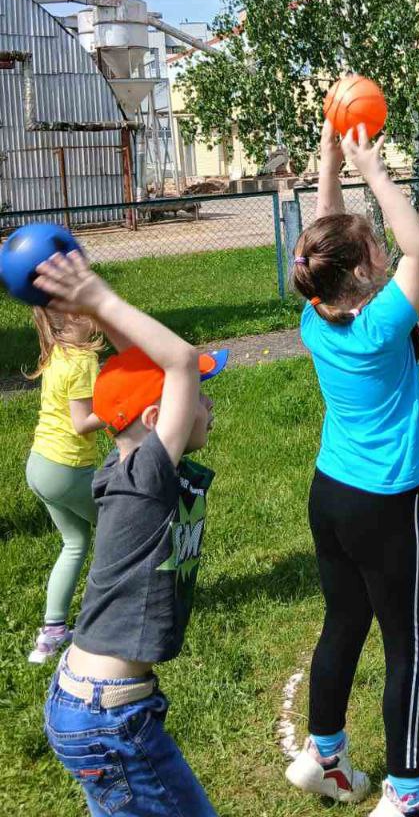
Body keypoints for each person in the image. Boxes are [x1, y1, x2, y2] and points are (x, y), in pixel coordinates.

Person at [285, 119, 419, 817]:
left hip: (331, 495)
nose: (384, 247)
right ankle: (408, 798)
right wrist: (373, 170)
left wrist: (330, 164)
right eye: (372, 247)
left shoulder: (315, 314)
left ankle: (325, 756)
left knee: (343, 620)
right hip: (388, 506)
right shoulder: (382, 324)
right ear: (361, 271)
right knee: (410, 648)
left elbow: (325, 242)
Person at [36, 249, 228, 816]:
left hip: (94, 705)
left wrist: (98, 316)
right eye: (198, 396)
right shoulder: (147, 478)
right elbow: (180, 363)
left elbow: (148, 372)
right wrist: (99, 297)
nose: (206, 402)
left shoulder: (124, 467)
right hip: (108, 719)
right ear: (156, 421)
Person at [24, 306, 104, 664]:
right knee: (118, 528)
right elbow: (82, 422)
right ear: (73, 318)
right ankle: (114, 613)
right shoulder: (83, 360)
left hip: (40, 465)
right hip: (68, 470)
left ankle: (52, 631)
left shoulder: (57, 352)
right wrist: (123, 408)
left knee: (75, 542)